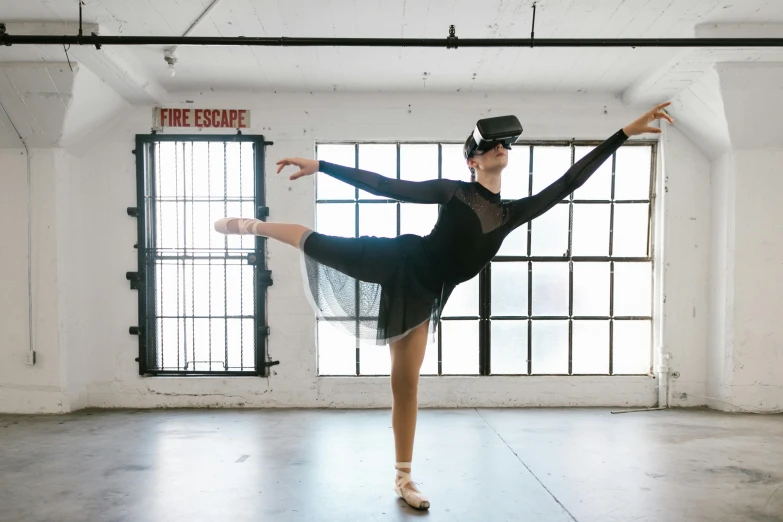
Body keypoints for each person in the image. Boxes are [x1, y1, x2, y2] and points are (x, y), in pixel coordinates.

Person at [215, 102, 674, 510]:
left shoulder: (515, 213)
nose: (500, 150)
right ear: (474, 160)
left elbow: (570, 180)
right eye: (490, 147)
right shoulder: (453, 191)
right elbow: (385, 184)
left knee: (405, 386)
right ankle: (255, 226)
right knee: (319, 242)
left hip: (425, 292)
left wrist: (625, 133)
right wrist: (322, 165)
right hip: (399, 257)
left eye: (504, 146)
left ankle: (403, 478)